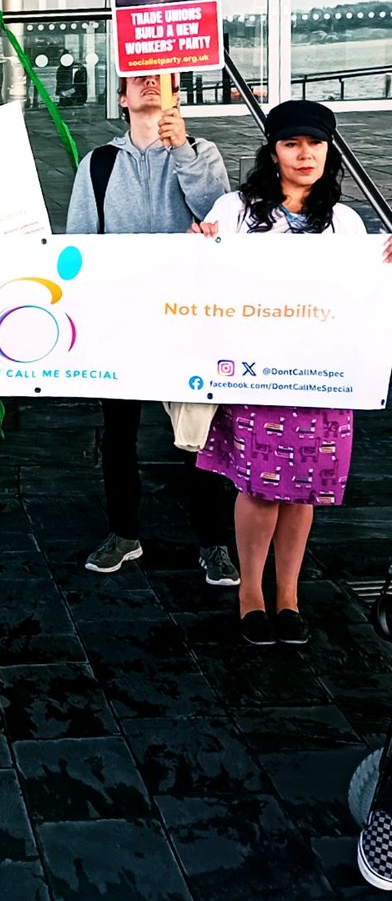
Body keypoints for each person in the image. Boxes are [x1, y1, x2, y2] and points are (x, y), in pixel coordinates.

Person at [191, 99, 392, 646]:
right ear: (272, 151)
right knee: (261, 486)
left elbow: (364, 297)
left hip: (324, 375)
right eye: (291, 144)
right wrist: (198, 249)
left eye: (316, 144)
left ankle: (289, 594)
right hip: (260, 373)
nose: (305, 155)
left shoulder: (347, 223)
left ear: (330, 150)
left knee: (304, 489)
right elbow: (204, 280)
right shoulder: (235, 210)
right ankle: (250, 592)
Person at [66, 73, 238, 584]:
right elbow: (80, 240)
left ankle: (213, 542)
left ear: (176, 95)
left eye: (159, 79)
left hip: (187, 315)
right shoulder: (97, 163)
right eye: (135, 80)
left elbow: (220, 216)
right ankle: (124, 532)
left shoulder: (200, 151)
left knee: (198, 433)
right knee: (118, 433)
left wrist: (181, 147)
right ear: (121, 98)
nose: (147, 85)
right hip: (120, 316)